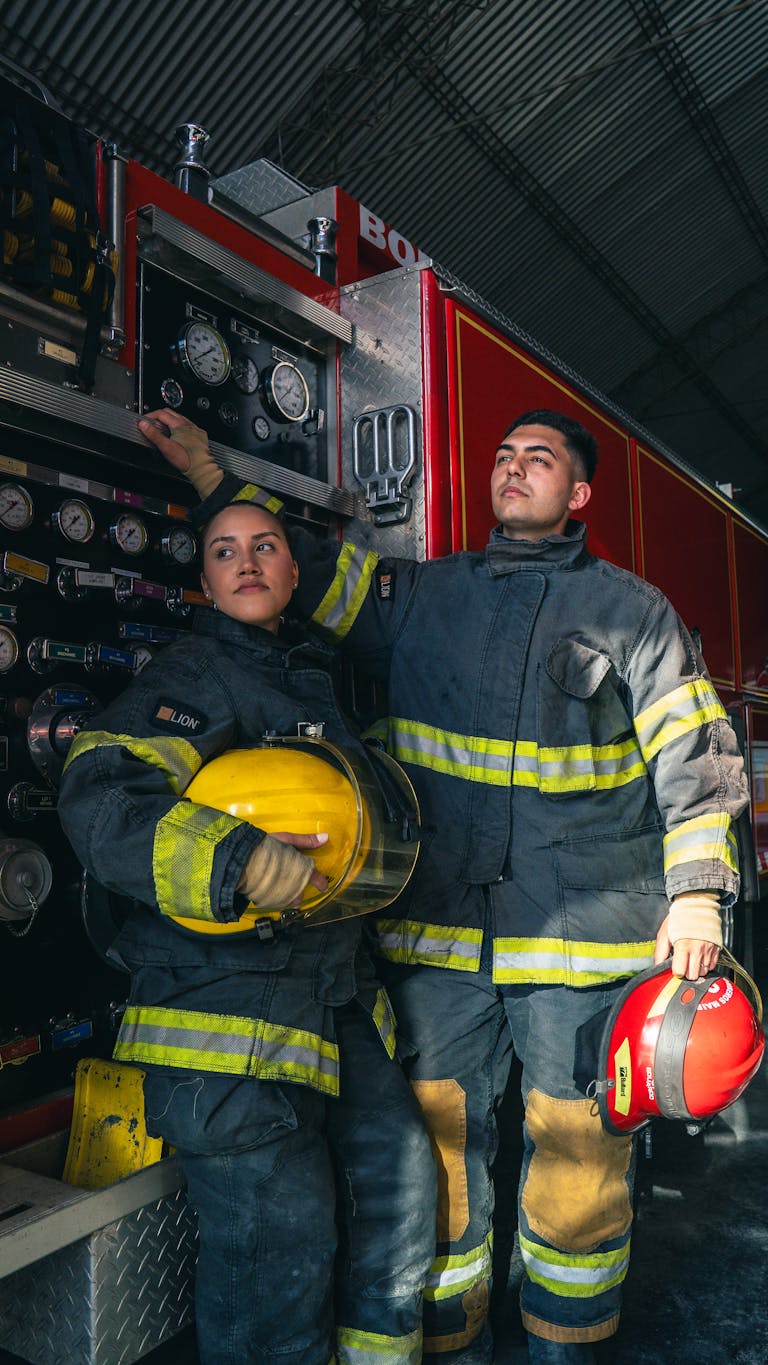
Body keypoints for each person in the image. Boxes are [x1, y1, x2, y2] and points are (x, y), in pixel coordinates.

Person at [139, 406, 748, 1364]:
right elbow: (287, 569)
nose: (513, 469)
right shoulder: (421, 596)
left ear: (579, 493)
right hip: (439, 946)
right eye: (503, 455)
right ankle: (452, 1342)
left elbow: (697, 756)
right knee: (443, 1159)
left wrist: (699, 892)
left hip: (580, 948)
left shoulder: (634, 613)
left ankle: (564, 1346)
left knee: (580, 1164)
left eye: (538, 459)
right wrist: (214, 477)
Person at [58, 493, 437, 1365]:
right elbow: (99, 790)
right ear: (205, 582)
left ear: (294, 572)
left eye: (265, 546)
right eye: (225, 551)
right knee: (281, 1255)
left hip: (330, 1006)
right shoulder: (194, 674)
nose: (248, 561)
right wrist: (234, 861)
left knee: (401, 1188)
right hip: (225, 1024)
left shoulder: (316, 680)